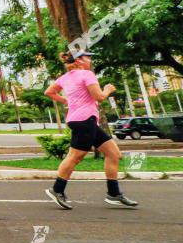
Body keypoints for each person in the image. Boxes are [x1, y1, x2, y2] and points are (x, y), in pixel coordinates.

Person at [44, 51, 137, 209]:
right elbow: (99, 97)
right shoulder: (87, 74)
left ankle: (113, 193)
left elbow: (49, 92)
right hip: (84, 121)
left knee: (113, 154)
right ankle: (57, 190)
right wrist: (107, 89)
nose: (91, 59)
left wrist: (66, 101)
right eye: (88, 57)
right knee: (75, 157)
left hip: (83, 121)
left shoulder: (64, 78)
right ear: (79, 60)